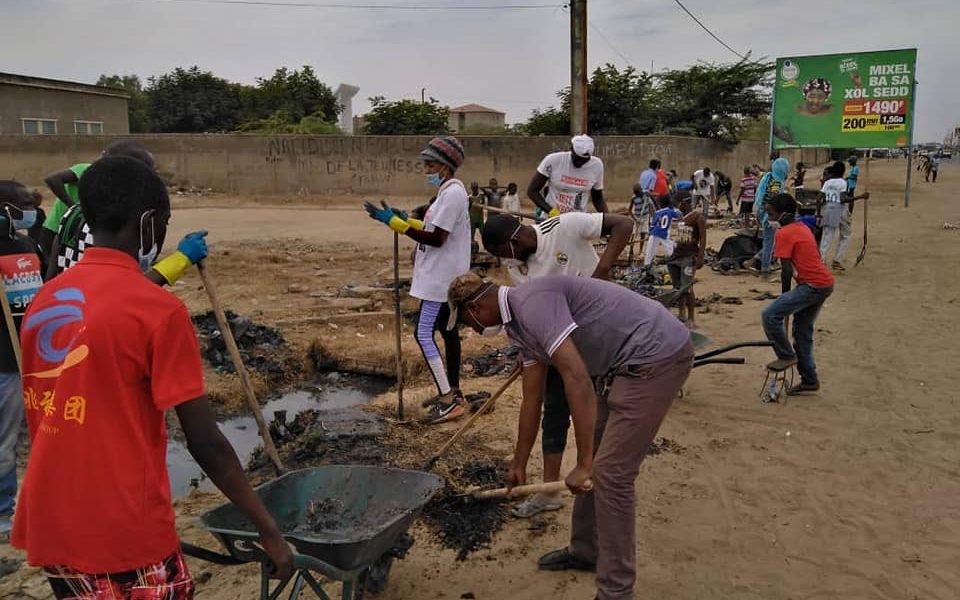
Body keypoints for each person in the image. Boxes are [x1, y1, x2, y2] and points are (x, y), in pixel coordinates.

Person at [11, 156, 294, 598]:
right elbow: (205, 442)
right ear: (147, 225)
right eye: (163, 225)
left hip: (51, 523)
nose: (161, 237)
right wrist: (269, 529)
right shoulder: (158, 312)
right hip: (123, 534)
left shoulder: (47, 300)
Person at [447, 271, 693, 600]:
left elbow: (576, 377)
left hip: (655, 355)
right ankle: (585, 550)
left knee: (611, 474)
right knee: (599, 468)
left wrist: (585, 461)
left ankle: (616, 591)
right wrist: (518, 464)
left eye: (467, 323)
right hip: (618, 366)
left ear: (475, 308)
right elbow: (532, 401)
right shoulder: (518, 328)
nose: (473, 331)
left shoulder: (532, 303)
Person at [479, 211, 633, 518]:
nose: (505, 262)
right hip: (559, 342)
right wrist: (526, 352)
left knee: (600, 410)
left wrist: (601, 272)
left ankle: (599, 484)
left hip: (600, 334)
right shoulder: (516, 265)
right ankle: (549, 491)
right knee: (554, 412)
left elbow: (624, 224)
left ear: (515, 239)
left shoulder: (565, 226)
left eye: (502, 253)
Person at [364, 136, 470, 424]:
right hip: (440, 275)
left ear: (446, 166)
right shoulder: (447, 192)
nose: (427, 171)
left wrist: (397, 225)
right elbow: (431, 226)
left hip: (440, 280)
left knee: (423, 334)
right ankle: (453, 392)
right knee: (446, 333)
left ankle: (449, 400)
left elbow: (437, 237)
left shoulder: (453, 194)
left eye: (431, 165)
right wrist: (406, 221)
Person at [46, 141, 208, 286]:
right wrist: (180, 260)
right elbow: (124, 290)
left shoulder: (73, 213)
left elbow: (51, 280)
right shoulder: (113, 224)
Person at [0, 181, 45, 538]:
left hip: (34, 354)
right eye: (20, 205)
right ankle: (2, 511)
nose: (27, 211)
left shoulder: (27, 244)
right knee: (4, 441)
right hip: (4, 360)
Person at [761, 193, 834, 395]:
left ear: (784, 214)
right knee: (802, 332)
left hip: (813, 285)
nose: (769, 217)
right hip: (823, 283)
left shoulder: (784, 233)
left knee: (769, 315)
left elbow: (785, 270)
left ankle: (785, 354)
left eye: (771, 213)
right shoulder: (802, 226)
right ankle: (810, 379)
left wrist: (784, 298)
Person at [527, 135, 607, 216]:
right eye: (577, 158)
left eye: (584, 160)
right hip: (551, 218)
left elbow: (598, 198)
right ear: (571, 149)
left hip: (579, 219)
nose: (580, 163)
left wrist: (608, 218)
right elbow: (532, 191)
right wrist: (551, 211)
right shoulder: (553, 160)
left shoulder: (597, 165)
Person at [819, 161, 869, 271]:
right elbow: (843, 199)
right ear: (843, 171)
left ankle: (821, 261)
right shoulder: (842, 183)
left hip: (828, 209)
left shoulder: (827, 182)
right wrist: (860, 197)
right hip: (840, 210)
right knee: (845, 235)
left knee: (826, 236)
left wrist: (819, 213)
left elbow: (819, 197)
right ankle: (837, 260)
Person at [668, 194, 706, 328]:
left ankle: (691, 318)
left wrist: (700, 257)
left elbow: (703, 238)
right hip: (676, 256)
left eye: (678, 203)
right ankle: (681, 314)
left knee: (688, 288)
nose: (676, 206)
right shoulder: (682, 217)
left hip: (689, 257)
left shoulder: (698, 218)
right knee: (678, 288)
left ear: (683, 202)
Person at [752, 157, 790, 276]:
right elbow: (773, 199)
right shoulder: (777, 182)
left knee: (772, 240)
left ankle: (758, 259)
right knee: (769, 242)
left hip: (765, 213)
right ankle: (765, 267)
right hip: (771, 215)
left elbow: (764, 198)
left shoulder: (769, 178)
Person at [644, 196, 682, 266]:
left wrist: (649, 234)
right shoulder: (672, 211)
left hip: (654, 233)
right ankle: (677, 261)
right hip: (663, 233)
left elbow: (652, 225)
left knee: (650, 251)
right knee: (671, 249)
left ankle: (647, 265)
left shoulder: (657, 212)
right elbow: (680, 216)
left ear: (660, 204)